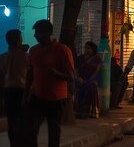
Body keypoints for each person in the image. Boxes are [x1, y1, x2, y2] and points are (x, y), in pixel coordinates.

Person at [25, 19, 75, 147]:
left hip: (56, 99)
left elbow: (71, 77)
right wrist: (26, 95)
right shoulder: (34, 51)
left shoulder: (62, 50)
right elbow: (30, 73)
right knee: (30, 130)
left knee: (53, 131)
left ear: (47, 33)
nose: (35, 35)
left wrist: (57, 74)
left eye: (38, 32)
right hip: (37, 97)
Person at [0, 29, 28, 146]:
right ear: (18, 40)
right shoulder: (26, 56)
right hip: (22, 91)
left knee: (12, 121)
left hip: (8, 91)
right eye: (21, 37)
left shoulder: (2, 57)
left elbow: (1, 78)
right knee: (23, 121)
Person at [75, 41, 102, 118]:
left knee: (91, 86)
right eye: (85, 48)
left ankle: (89, 112)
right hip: (80, 79)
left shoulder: (97, 59)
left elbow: (96, 71)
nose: (86, 49)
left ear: (92, 50)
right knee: (79, 87)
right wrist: (78, 77)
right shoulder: (80, 58)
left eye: (88, 48)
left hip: (91, 79)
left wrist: (89, 80)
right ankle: (79, 111)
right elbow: (76, 69)